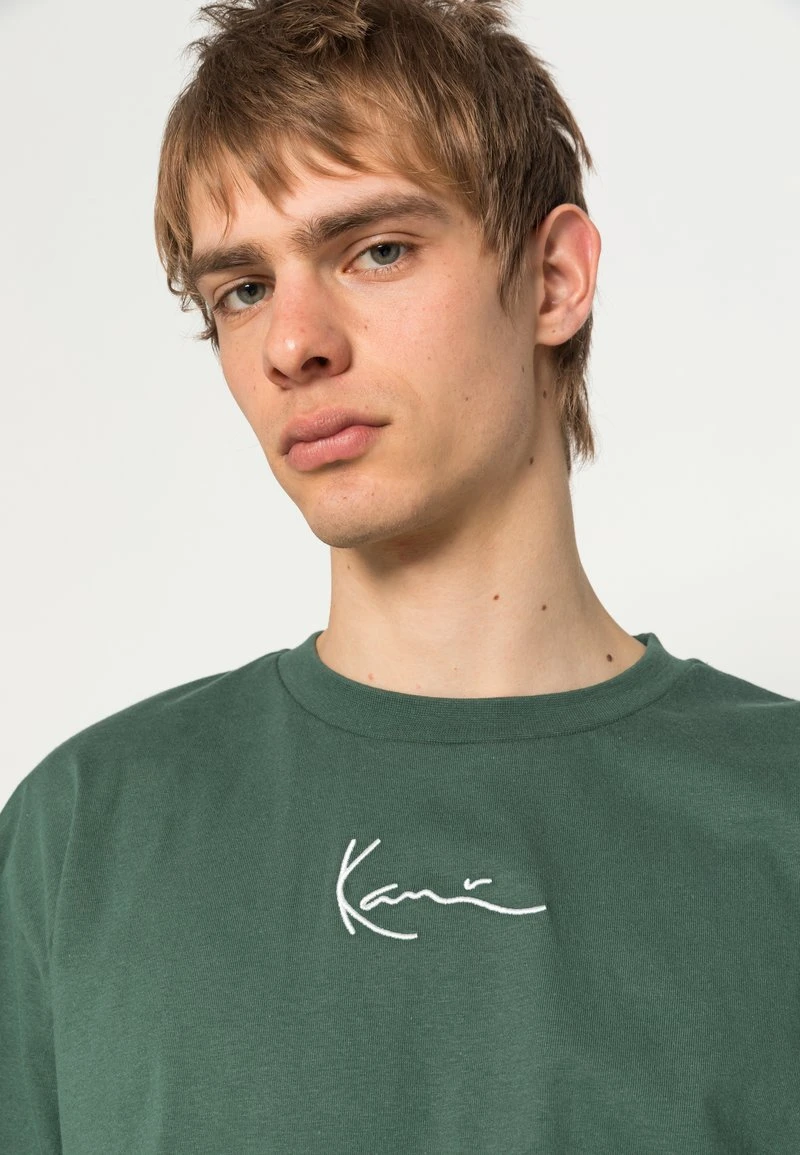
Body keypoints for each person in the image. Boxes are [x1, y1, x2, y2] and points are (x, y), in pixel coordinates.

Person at [1, 0, 798, 1150]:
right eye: (242, 289)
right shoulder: (83, 837)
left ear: (551, 279)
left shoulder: (777, 819)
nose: (293, 343)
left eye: (374, 250)